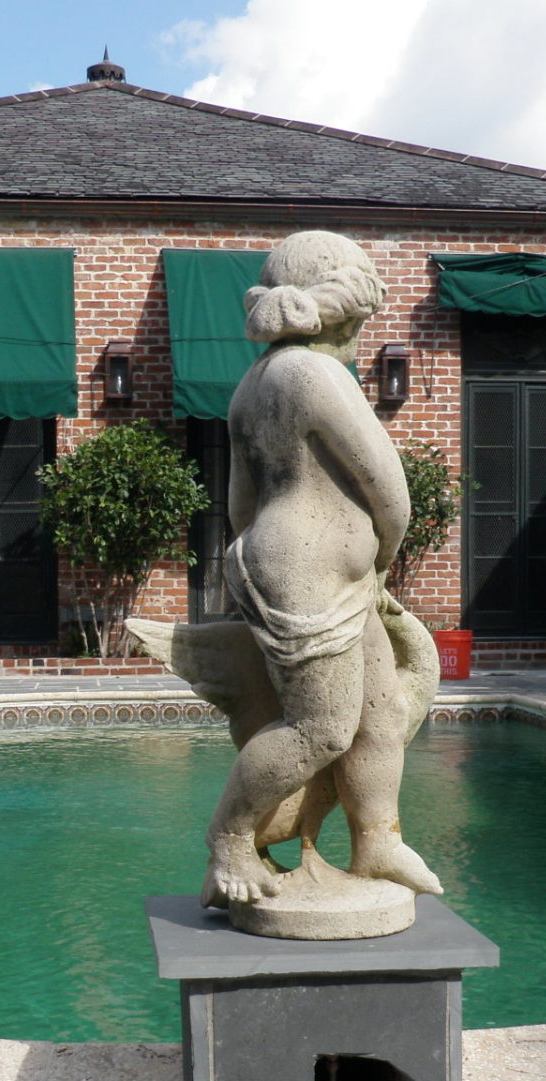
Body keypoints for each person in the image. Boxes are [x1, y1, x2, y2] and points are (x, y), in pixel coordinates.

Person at [198, 231, 443, 907]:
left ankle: (377, 841)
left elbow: (241, 503)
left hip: (298, 566)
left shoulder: (252, 385)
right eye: (364, 321)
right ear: (345, 310)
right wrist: (382, 555)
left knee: (379, 713)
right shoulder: (314, 373)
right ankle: (229, 841)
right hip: (312, 577)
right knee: (323, 727)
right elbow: (388, 490)